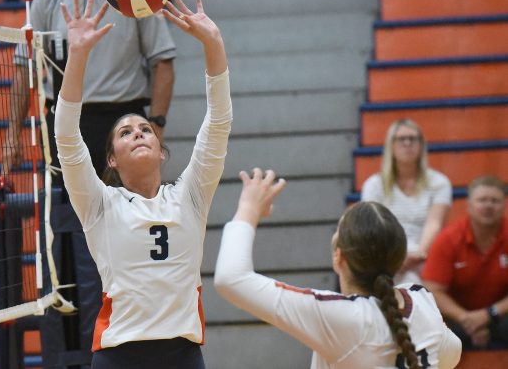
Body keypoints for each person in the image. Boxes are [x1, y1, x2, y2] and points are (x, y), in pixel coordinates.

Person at [55, 0, 231, 368]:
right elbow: (67, 139)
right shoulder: (99, 205)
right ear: (111, 160)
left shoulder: (190, 196)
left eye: (145, 129)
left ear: (160, 148)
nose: (137, 133)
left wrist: (213, 43)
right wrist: (79, 56)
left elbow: (218, 122)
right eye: (125, 132)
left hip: (182, 355)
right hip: (119, 356)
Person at [214, 168, 462, 369]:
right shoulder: (420, 298)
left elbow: (231, 278)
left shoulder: (340, 315)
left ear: (339, 257)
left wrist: (248, 209)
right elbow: (452, 353)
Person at [1, 0, 175, 181]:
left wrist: (157, 125)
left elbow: (163, 61)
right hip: (66, 124)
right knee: (67, 214)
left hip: (124, 119)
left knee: (131, 212)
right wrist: (12, 134)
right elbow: (26, 69)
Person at [361, 118, 452, 284]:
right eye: (401, 139)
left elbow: (435, 224)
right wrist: (395, 259)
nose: (408, 143)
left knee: (412, 280)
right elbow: (374, 227)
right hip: (386, 255)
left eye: (413, 138)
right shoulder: (373, 185)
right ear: (391, 145)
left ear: (421, 145)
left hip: (426, 255)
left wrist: (418, 254)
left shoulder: (440, 182)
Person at [422, 175, 508, 350]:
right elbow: (433, 289)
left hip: (502, 315)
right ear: (468, 205)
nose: (488, 205)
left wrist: (489, 314)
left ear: (504, 205)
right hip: (458, 318)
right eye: (482, 200)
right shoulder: (448, 238)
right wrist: (466, 319)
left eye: (495, 200)